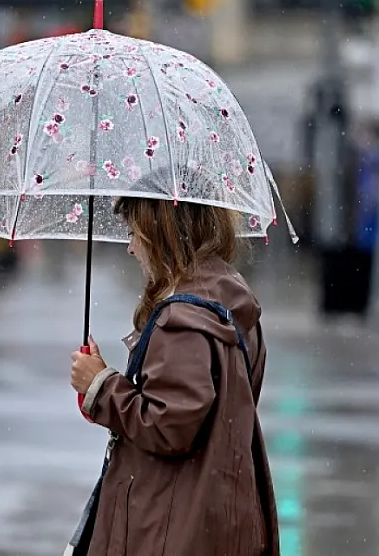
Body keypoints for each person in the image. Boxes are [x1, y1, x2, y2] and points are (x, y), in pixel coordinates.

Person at [69, 195, 279, 556]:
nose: (132, 248)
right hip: (223, 514)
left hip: (172, 526)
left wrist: (100, 387)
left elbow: (169, 425)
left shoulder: (181, 320)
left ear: (158, 232)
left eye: (135, 233)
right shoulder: (232, 304)